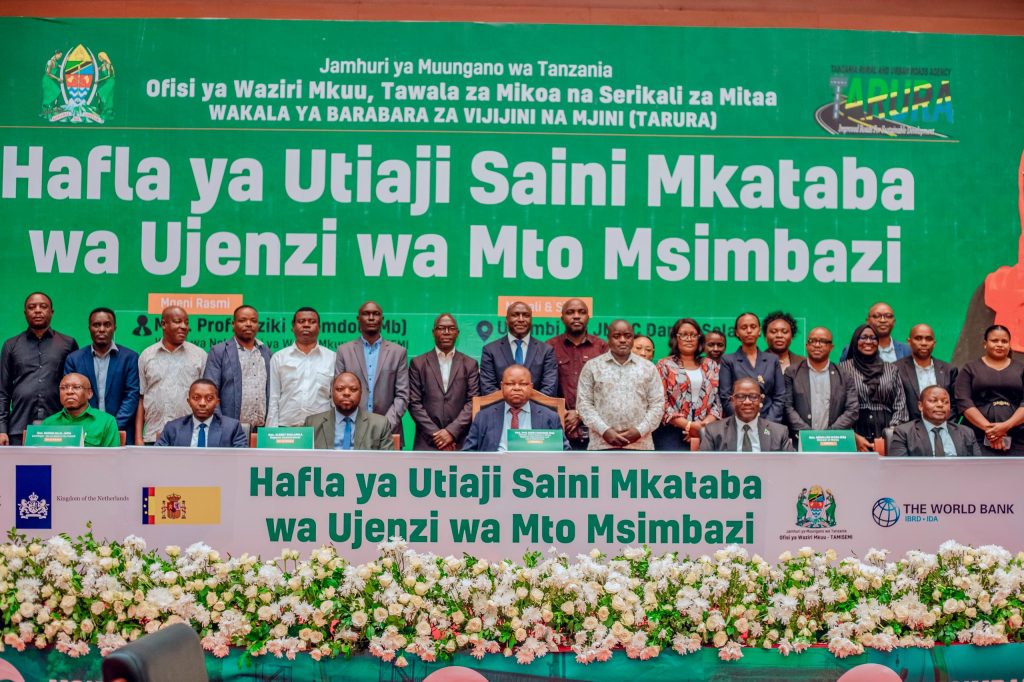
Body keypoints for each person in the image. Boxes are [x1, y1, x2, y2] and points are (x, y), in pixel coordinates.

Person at [0, 292, 79, 445]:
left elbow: (76, 387)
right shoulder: (11, 345)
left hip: (60, 427)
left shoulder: (68, 344)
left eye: (43, 306)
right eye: (32, 307)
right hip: (19, 427)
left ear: (52, 312)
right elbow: (3, 391)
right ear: (25, 313)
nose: (37, 310)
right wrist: (2, 429)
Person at [576, 320, 664, 450]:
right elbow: (584, 404)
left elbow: (658, 405)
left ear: (632, 339)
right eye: (616, 336)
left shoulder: (648, 368)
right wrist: (604, 431)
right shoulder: (593, 366)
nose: (622, 340)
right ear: (608, 339)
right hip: (602, 445)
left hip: (640, 445)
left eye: (627, 336)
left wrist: (639, 431)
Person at [334, 301, 409, 443]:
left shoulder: (398, 352)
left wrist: (383, 426)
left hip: (389, 432)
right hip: (352, 430)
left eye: (376, 314)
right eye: (366, 314)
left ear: (382, 319)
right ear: (358, 319)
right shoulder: (344, 351)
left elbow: (402, 396)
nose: (371, 318)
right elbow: (339, 393)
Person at [63, 307, 140, 443]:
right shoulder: (74, 359)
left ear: (114, 328)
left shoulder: (129, 358)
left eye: (107, 325)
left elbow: (131, 395)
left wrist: (112, 426)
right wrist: (92, 427)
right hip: (84, 432)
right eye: (96, 325)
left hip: (120, 431)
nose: (102, 329)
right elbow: (71, 396)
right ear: (89, 328)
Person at [136, 306, 207, 445]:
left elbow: (205, 400)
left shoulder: (199, 355)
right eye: (178, 322)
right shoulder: (147, 355)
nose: (184, 326)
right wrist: (138, 438)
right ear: (163, 324)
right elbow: (141, 398)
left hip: (189, 436)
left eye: (186, 322)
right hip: (153, 435)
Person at [408, 313, 480, 450]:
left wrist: (451, 432)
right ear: (433, 332)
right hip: (426, 442)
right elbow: (414, 403)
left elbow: (473, 401)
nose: (446, 332)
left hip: (460, 442)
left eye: (451, 328)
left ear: (457, 333)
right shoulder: (418, 363)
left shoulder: (470, 364)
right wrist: (437, 436)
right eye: (441, 328)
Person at [546, 298, 608, 448]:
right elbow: (543, 387)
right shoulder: (549, 347)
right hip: (557, 426)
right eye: (570, 312)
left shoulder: (602, 348)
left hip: (594, 429)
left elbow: (607, 389)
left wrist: (580, 413)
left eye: (581, 312)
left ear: (588, 317)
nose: (576, 316)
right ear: (562, 318)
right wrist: (561, 411)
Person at [462, 365, 568, 452]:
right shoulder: (483, 417)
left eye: (523, 384)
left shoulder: (550, 417)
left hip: (536, 469)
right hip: (495, 469)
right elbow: (468, 454)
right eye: (510, 383)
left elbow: (565, 453)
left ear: (531, 387)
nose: (517, 388)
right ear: (502, 386)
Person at [955, 324, 1024, 456]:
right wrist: (991, 430)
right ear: (985, 344)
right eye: (994, 340)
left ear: (1009, 344)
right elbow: (964, 402)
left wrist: (1006, 426)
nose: (1000, 344)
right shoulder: (970, 369)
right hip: (978, 436)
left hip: (1018, 435)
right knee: (981, 469)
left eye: (1004, 341)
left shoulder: (1021, 369)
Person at [838, 324, 909, 452]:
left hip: (887, 434)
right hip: (855, 433)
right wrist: (852, 436)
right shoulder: (843, 369)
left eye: (873, 338)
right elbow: (837, 406)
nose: (868, 341)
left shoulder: (891, 369)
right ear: (855, 341)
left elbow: (900, 405)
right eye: (863, 337)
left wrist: (890, 434)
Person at [653, 318, 721, 450]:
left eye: (693, 335)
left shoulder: (710, 364)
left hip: (706, 431)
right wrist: (688, 425)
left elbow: (717, 401)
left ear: (699, 339)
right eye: (684, 335)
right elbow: (661, 402)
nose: (689, 339)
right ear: (675, 338)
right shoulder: (664, 365)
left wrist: (702, 426)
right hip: (672, 432)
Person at [202, 305, 272, 430]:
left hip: (262, 429)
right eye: (242, 320)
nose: (248, 324)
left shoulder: (266, 352)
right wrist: (220, 425)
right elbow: (209, 392)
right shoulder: (219, 352)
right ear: (233, 324)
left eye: (253, 321)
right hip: (229, 428)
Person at [783, 327, 859, 437]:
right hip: (800, 439)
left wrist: (828, 435)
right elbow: (787, 407)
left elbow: (852, 410)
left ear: (831, 347)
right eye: (812, 341)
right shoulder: (792, 373)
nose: (817, 345)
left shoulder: (844, 375)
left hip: (834, 440)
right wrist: (808, 435)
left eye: (823, 341)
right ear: (807, 346)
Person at [266, 307, 334, 427]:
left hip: (321, 428)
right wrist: (272, 431)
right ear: (293, 327)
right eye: (301, 321)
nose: (306, 325)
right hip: (286, 428)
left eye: (312, 322)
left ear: (319, 328)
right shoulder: (279, 358)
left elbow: (334, 399)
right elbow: (274, 398)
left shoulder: (332, 358)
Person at [480, 301, 558, 396]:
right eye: (515, 315)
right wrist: (510, 403)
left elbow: (549, 388)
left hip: (537, 405)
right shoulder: (490, 350)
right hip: (500, 405)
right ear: (506, 320)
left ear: (531, 320)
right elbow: (488, 388)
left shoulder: (546, 350)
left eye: (526, 315)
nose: (521, 319)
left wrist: (528, 405)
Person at [718, 313, 786, 422]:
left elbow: (780, 396)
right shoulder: (728, 360)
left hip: (769, 422)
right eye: (744, 327)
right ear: (737, 332)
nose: (749, 331)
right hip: (740, 423)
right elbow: (726, 397)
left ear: (759, 331)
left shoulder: (772, 360)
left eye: (753, 327)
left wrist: (768, 424)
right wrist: (744, 421)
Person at [699, 377, 794, 452]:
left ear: (761, 400)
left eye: (753, 397)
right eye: (741, 397)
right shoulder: (714, 431)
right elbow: (703, 465)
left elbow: (791, 466)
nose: (747, 402)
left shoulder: (779, 433)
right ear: (732, 401)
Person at [305, 372, 394, 451]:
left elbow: (388, 461)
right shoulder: (312, 424)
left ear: (361, 393)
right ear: (332, 392)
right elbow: (303, 458)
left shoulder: (380, 424)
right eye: (340, 389)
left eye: (353, 389)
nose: (346, 393)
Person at [889, 386, 980, 457]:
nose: (940, 405)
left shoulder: (966, 432)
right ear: (920, 406)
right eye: (933, 401)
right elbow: (898, 468)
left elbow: (978, 466)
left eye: (945, 402)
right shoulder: (904, 433)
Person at [154, 379, 247, 447]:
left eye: (209, 398)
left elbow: (241, 459)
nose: (202, 403)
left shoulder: (232, 428)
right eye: (196, 398)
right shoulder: (173, 428)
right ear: (189, 401)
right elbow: (157, 457)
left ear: (217, 402)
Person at [895, 324, 958, 421]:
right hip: (907, 427)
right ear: (909, 342)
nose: (924, 343)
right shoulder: (896, 369)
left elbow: (955, 404)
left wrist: (943, 424)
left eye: (928, 339)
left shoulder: (949, 370)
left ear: (934, 343)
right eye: (918, 338)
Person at [41, 373, 120, 447]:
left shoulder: (106, 422)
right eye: (64, 388)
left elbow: (112, 456)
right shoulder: (48, 423)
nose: (69, 392)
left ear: (89, 393)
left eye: (76, 387)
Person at [840, 302, 911, 362]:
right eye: (877, 316)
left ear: (894, 322)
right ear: (868, 321)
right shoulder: (852, 349)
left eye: (888, 316)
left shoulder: (907, 350)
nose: (883, 320)